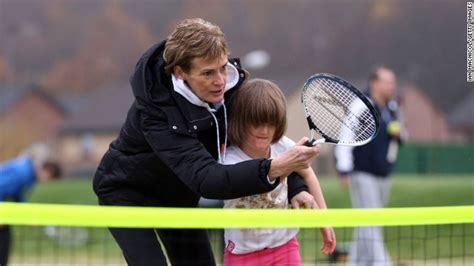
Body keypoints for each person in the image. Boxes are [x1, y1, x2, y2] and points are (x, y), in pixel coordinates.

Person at [92, 18, 321, 266]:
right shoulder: (155, 114)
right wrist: (276, 168)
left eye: (222, 67)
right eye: (208, 73)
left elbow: (259, 144)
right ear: (180, 73)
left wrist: (295, 185)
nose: (220, 80)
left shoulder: (230, 90)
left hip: (178, 194)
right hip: (128, 194)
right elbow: (208, 180)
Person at [222, 79, 336, 266]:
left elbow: (308, 174)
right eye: (256, 122)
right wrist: (282, 166)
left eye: (271, 123)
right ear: (241, 120)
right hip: (242, 253)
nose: (264, 130)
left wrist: (324, 220)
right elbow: (246, 183)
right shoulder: (229, 159)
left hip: (284, 245)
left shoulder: (283, 145)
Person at [334, 67, 405, 266]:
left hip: (384, 173)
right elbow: (345, 138)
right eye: (388, 82)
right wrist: (344, 169)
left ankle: (356, 262)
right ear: (375, 83)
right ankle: (382, 263)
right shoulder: (361, 105)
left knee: (369, 221)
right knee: (371, 218)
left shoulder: (392, 108)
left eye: (393, 82)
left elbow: (402, 134)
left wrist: (400, 135)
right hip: (362, 172)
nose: (392, 86)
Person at [0, 146, 62, 266]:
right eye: (49, 179)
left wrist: (29, 216)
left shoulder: (29, 175)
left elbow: (17, 196)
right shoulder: (23, 173)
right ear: (47, 171)